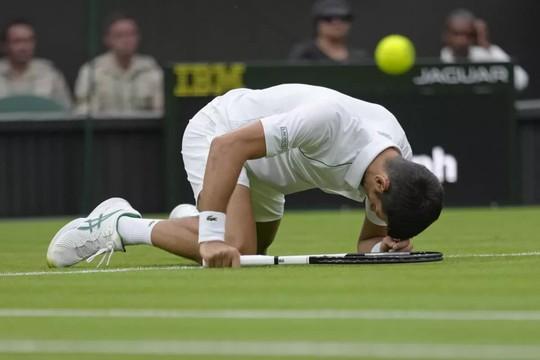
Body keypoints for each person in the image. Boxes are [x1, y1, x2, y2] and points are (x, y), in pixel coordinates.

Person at [47, 84, 444, 269]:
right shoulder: (330, 122)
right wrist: (210, 238)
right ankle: (118, 225)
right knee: (234, 245)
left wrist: (384, 248)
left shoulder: (396, 160)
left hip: (271, 173)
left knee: (248, 252)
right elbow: (227, 148)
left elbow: (367, 242)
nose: (373, 212)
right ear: (381, 184)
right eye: (377, 207)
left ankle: (198, 214)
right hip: (222, 134)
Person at [74, 14, 163, 115]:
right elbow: (84, 110)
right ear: (107, 39)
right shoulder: (92, 70)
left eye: (131, 34)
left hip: (146, 129)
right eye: (119, 35)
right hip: (105, 129)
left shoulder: (150, 69)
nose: (126, 40)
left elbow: (161, 109)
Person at [441, 9, 529, 91]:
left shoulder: (485, 56)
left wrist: (487, 47)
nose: (462, 40)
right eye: (456, 34)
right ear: (446, 35)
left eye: (468, 35)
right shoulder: (441, 61)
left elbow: (520, 81)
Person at [0, 19, 72, 109]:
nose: (24, 47)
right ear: (4, 45)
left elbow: (66, 112)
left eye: (29, 40)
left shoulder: (50, 75)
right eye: (17, 41)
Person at [289, 0, 367, 63]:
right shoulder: (304, 55)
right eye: (328, 18)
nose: (337, 23)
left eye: (344, 18)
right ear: (317, 23)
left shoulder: (360, 58)